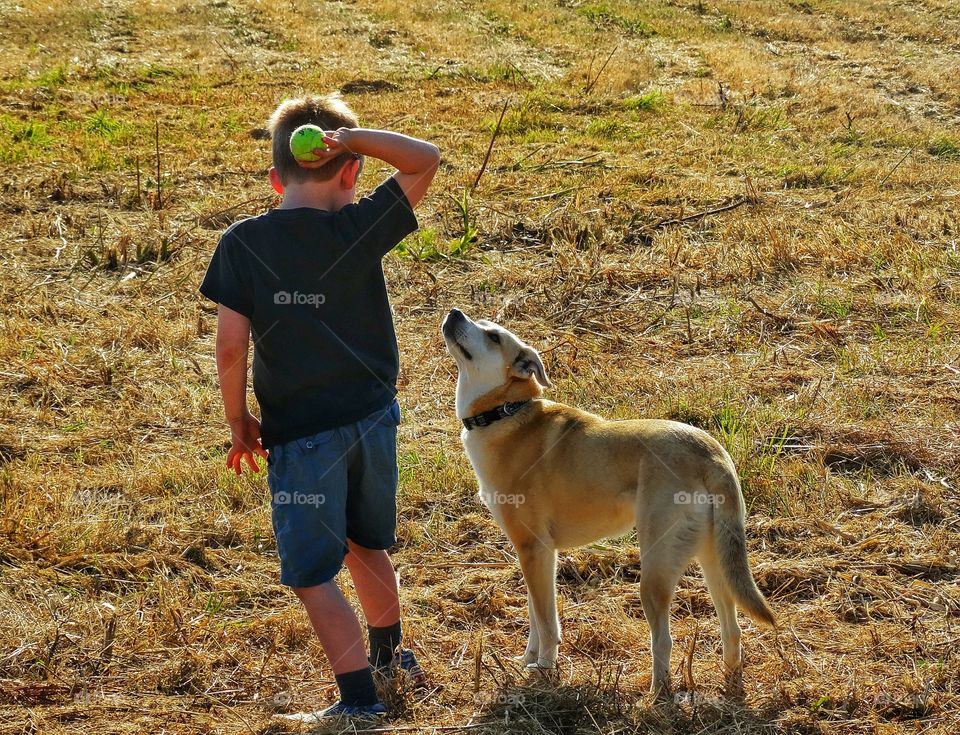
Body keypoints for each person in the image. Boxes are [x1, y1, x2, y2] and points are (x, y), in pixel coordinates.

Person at [199, 93, 439, 721]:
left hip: (302, 435)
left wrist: (237, 421)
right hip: (373, 419)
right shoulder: (356, 227)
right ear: (350, 172)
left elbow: (230, 346)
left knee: (311, 572)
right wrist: (355, 140)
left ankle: (360, 699)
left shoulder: (243, 242)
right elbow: (424, 159)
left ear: (276, 177)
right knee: (365, 544)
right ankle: (392, 659)